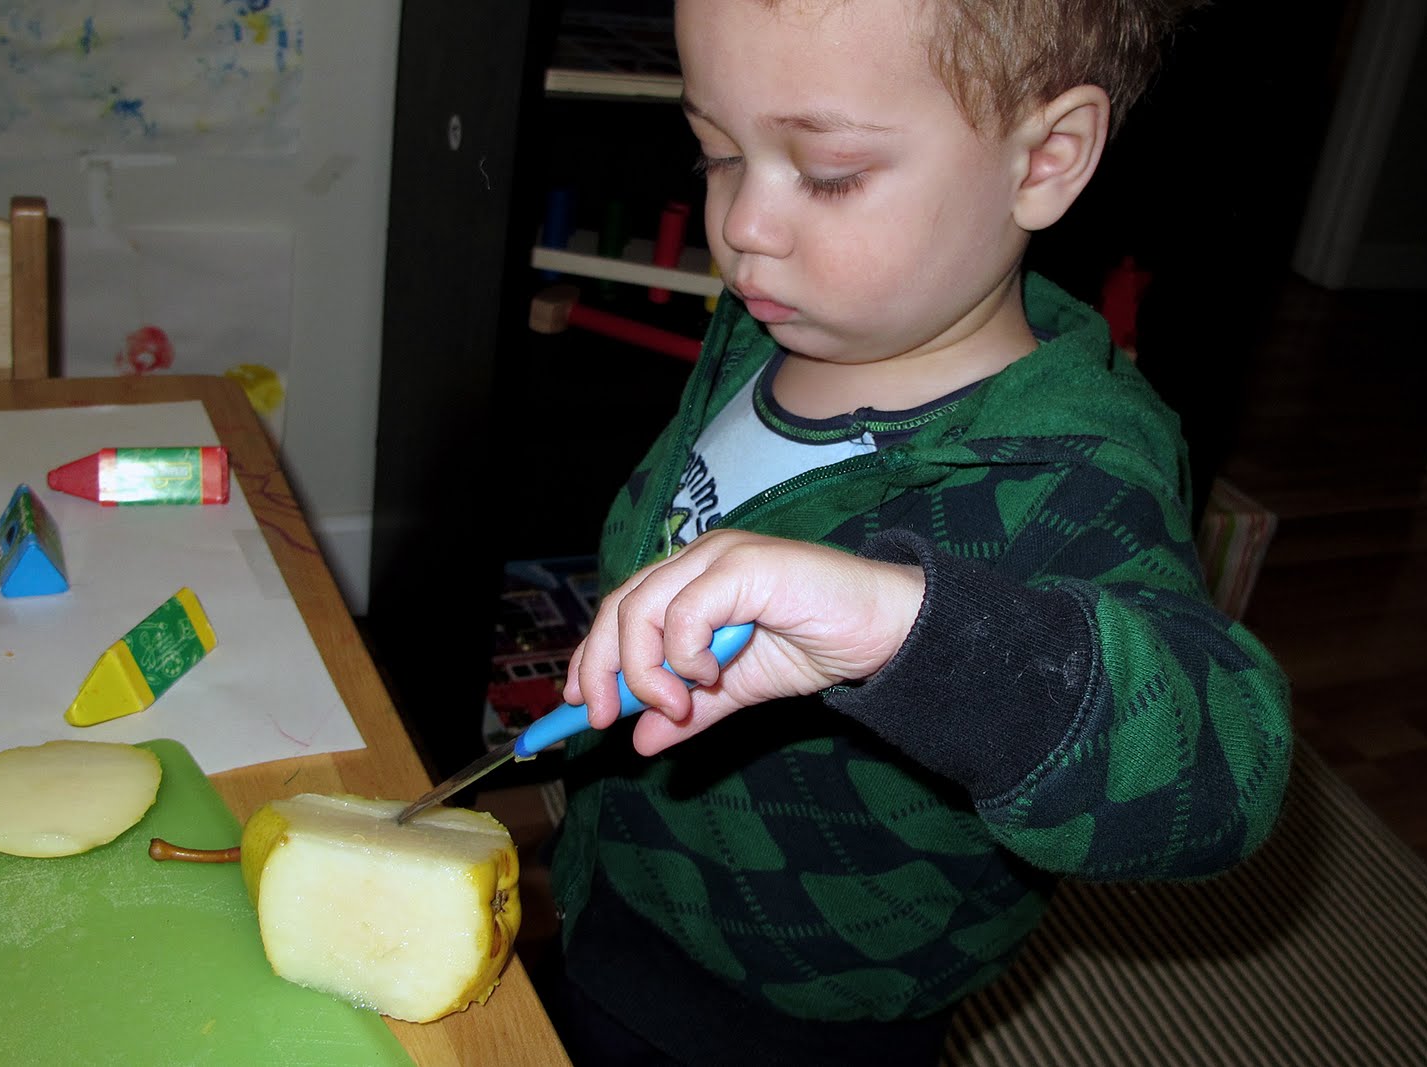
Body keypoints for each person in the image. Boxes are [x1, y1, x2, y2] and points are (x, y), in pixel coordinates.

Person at [546, 1, 1292, 1063]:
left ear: (1045, 159)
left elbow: (1225, 776)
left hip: (804, 1011)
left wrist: (913, 630)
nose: (743, 226)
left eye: (831, 172)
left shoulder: (1068, 478)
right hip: (623, 876)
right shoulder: (777, 310)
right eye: (716, 152)